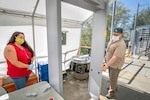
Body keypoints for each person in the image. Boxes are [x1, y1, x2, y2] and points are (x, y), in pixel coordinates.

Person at [104, 28, 126, 99]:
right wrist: (105, 57)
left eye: (116, 34)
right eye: (113, 34)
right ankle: (113, 86)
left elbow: (115, 57)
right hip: (110, 62)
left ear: (121, 35)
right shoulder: (113, 40)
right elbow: (108, 50)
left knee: (113, 78)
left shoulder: (121, 44)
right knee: (111, 77)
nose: (114, 35)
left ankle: (112, 92)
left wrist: (106, 66)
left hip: (115, 64)